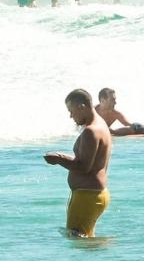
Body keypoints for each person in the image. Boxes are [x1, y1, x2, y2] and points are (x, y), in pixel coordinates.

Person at [43, 89, 112, 238]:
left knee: (78, 240)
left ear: (81, 107)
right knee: (85, 241)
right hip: (93, 195)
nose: (71, 116)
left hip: (87, 196)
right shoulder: (101, 124)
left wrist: (59, 158)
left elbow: (84, 166)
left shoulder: (91, 131)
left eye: (71, 111)